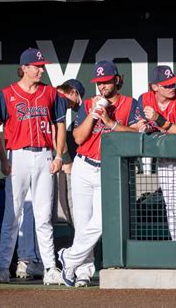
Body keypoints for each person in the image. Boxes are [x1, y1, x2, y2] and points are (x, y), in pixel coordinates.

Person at [58, 61, 139, 287]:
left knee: (102, 222)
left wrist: (111, 123)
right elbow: (78, 138)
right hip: (83, 165)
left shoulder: (130, 104)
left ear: (116, 80)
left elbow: (138, 133)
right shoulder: (87, 105)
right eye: (99, 83)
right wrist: (93, 114)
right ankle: (83, 271)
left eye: (106, 81)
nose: (102, 86)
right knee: (83, 224)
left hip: (109, 168)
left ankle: (69, 257)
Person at [0, 47, 66, 285]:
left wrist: (59, 156)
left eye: (42, 66)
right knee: (12, 215)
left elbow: (60, 125)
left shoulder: (51, 93)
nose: (41, 70)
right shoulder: (7, 94)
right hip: (18, 156)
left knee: (43, 217)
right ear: (24, 68)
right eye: (36, 66)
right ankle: (3, 267)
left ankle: (50, 268)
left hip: (43, 155)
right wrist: (3, 158)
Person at [136, 65, 176, 241]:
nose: (172, 87)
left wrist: (160, 121)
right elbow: (140, 124)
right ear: (154, 87)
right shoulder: (145, 99)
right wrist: (146, 126)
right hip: (165, 157)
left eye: (172, 83)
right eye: (166, 85)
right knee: (170, 204)